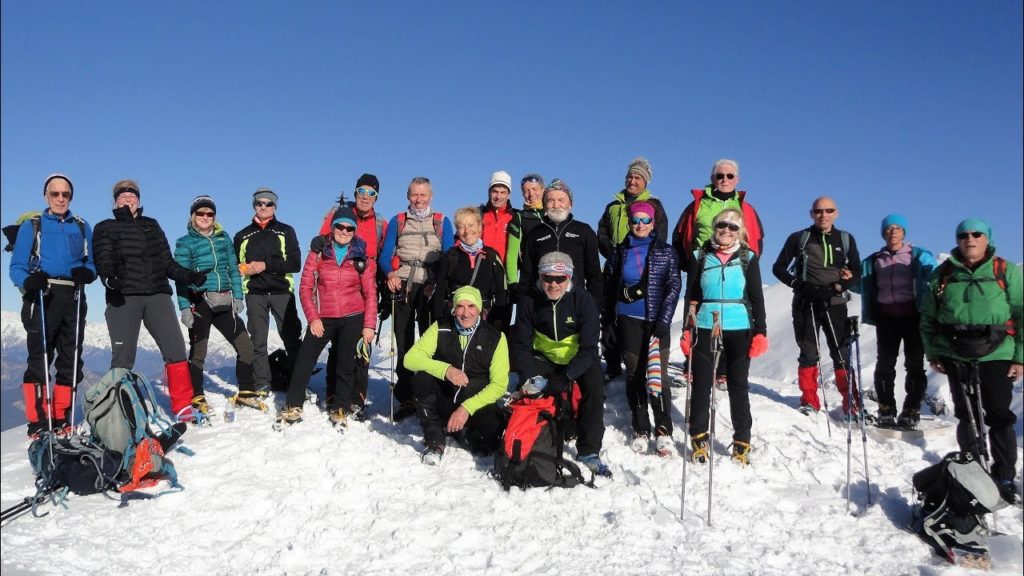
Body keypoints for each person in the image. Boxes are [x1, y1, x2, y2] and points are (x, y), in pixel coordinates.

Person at [920, 218, 1022, 504]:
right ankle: (973, 472)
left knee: (999, 414)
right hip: (955, 353)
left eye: (977, 234)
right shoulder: (942, 275)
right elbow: (928, 318)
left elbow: (1021, 313)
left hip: (998, 353)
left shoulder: (1006, 271)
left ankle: (1003, 476)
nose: (970, 239)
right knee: (967, 415)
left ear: (987, 238)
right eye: (964, 235)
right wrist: (934, 353)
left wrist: (1021, 357)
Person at [92, 180, 205, 420]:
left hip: (157, 295)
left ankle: (183, 406)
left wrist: (189, 275)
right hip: (124, 297)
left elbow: (167, 262)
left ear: (139, 200)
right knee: (123, 358)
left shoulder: (151, 225)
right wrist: (109, 279)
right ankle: (119, 412)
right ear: (115, 202)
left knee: (175, 349)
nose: (128, 198)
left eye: (132, 194)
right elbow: (103, 259)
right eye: (122, 195)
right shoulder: (105, 227)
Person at [9, 174, 96, 436]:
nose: (60, 198)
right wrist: (28, 280)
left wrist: (88, 274)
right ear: (46, 195)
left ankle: (61, 416)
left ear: (71, 197)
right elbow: (16, 266)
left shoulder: (81, 226)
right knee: (39, 359)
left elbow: (91, 262)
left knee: (71, 359)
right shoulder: (33, 226)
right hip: (42, 295)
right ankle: (38, 420)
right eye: (55, 194)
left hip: (73, 296)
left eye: (65, 194)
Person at [278, 205, 378, 428]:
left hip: (353, 316)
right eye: (339, 226)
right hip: (323, 317)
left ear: (354, 231)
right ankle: (294, 404)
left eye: (349, 228)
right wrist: (313, 318)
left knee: (345, 363)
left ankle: (340, 407)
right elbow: (305, 287)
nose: (344, 231)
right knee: (305, 359)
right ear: (332, 228)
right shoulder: (319, 252)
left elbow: (370, 292)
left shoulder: (361, 256)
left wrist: (369, 325)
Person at [681, 209, 767, 465]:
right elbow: (692, 294)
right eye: (721, 226)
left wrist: (760, 331)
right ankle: (698, 437)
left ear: (739, 231)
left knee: (738, 385)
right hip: (705, 323)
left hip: (739, 326)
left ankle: (742, 441)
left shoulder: (748, 258)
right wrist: (687, 328)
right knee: (702, 383)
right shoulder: (700, 255)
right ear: (715, 227)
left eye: (732, 227)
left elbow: (756, 298)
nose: (726, 231)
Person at [513, 252, 610, 476]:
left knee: (594, 389)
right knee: (533, 390)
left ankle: (588, 450)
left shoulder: (583, 300)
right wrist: (531, 376)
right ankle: (539, 438)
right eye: (548, 278)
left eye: (560, 278)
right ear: (540, 277)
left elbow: (588, 348)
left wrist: (566, 376)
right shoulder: (529, 300)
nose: (553, 284)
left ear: (569, 278)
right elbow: (521, 345)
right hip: (543, 358)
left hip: (578, 359)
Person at [772, 197, 862, 417]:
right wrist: (798, 284)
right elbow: (779, 267)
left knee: (841, 353)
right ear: (811, 214)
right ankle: (809, 400)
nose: (824, 215)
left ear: (836, 213)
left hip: (835, 303)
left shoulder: (846, 239)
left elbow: (857, 272)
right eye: (819, 211)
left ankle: (852, 402)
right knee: (808, 352)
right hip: (806, 302)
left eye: (828, 210)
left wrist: (842, 284)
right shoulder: (799, 238)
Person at [603, 201, 680, 456]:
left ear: (652, 223)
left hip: (656, 321)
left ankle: (664, 429)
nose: (640, 225)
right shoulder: (619, 251)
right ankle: (640, 427)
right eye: (636, 220)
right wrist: (610, 319)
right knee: (635, 374)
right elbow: (609, 286)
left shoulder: (665, 252)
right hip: (627, 320)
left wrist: (664, 320)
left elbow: (673, 287)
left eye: (645, 220)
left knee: (659, 375)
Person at [378, 176, 455, 421]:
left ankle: (429, 394)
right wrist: (389, 273)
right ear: (408, 196)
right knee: (403, 342)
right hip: (403, 284)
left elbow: (450, 254)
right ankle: (406, 396)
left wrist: (438, 283)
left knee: (430, 342)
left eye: (423, 195)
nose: (419, 200)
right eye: (414, 195)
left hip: (430, 286)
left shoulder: (442, 222)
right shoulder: (398, 221)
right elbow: (385, 253)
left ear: (431, 196)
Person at [405, 286, 508, 465]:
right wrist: (446, 370)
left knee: (488, 443)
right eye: (460, 306)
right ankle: (435, 440)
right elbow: (410, 359)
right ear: (453, 309)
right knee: (422, 378)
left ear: (480, 310)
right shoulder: (440, 327)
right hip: (444, 397)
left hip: (475, 402)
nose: (465, 313)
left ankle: (461, 432)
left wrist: (466, 409)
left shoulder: (496, 337)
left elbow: (499, 385)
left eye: (471, 307)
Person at [174, 196, 258, 415]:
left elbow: (232, 268)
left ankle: (247, 391)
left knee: (245, 346)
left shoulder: (223, 238)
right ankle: (197, 395)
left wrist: (238, 297)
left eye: (209, 214)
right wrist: (184, 307)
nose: (205, 217)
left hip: (224, 301)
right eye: (200, 213)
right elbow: (180, 278)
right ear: (193, 216)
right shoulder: (185, 242)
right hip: (200, 302)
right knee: (199, 351)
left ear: (214, 217)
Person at [853, 214, 936, 427]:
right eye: (889, 228)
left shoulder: (919, 256)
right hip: (886, 318)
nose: (893, 231)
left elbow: (934, 278)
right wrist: (847, 279)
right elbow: (860, 285)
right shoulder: (873, 261)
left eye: (898, 227)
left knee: (915, 365)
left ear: (904, 232)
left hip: (914, 317)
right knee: (885, 365)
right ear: (883, 233)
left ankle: (912, 409)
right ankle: (886, 409)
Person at [316, 173, 388, 419]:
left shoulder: (381, 224)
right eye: (362, 192)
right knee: (339, 345)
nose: (366, 197)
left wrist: (388, 285)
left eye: (371, 193)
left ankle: (357, 396)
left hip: (365, 288)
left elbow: (389, 254)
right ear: (355, 192)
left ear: (377, 197)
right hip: (337, 289)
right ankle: (333, 394)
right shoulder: (339, 215)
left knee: (361, 346)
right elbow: (320, 242)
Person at [597, 157, 669, 380]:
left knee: (639, 313)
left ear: (645, 182)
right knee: (609, 312)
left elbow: (661, 235)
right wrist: (611, 251)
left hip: (642, 267)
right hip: (614, 266)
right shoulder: (613, 206)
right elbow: (602, 232)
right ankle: (612, 363)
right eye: (630, 176)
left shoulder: (654, 206)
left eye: (637, 177)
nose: (632, 180)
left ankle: (643, 364)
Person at [233, 188, 303, 394]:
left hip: (282, 292)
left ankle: (298, 383)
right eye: (259, 203)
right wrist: (243, 269)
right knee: (258, 340)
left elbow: (295, 263)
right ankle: (262, 382)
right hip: (255, 294)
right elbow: (236, 265)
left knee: (291, 337)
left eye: (268, 203)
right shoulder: (242, 235)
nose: (263, 207)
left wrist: (264, 265)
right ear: (254, 205)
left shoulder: (285, 231)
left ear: (275, 207)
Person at [519, 179, 603, 313]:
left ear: (570, 203)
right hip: (541, 306)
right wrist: (524, 308)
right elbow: (526, 276)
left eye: (561, 200)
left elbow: (594, 276)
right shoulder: (535, 233)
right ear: (545, 204)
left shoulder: (584, 231)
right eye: (550, 200)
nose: (556, 205)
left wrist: (594, 308)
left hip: (576, 306)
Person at [672, 158, 765, 273]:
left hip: (736, 270)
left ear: (737, 180)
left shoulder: (747, 209)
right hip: (702, 268)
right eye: (720, 176)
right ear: (712, 178)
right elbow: (679, 235)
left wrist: (749, 267)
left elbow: (758, 240)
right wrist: (688, 265)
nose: (725, 180)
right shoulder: (697, 205)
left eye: (730, 176)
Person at [433, 207, 508, 328]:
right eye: (461, 227)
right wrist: (440, 321)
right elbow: (440, 290)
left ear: (480, 228)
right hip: (457, 317)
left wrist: (498, 321)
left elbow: (501, 290)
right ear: (457, 231)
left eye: (471, 225)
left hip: (486, 318)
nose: (467, 231)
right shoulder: (451, 256)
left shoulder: (491, 255)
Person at [505, 173, 545, 300]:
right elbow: (512, 253)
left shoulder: (553, 213)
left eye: (534, 189)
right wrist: (512, 282)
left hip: (553, 277)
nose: (531, 194)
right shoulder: (519, 217)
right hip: (529, 278)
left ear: (543, 190)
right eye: (526, 191)